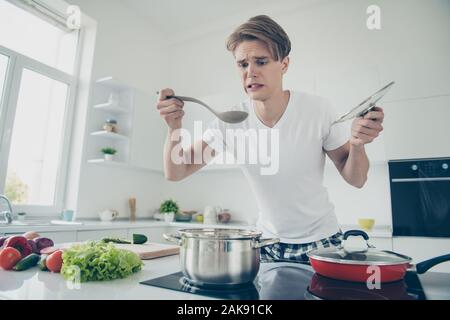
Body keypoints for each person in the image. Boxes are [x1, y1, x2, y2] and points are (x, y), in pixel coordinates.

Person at [156, 15, 384, 263]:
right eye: (242, 65)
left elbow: (357, 178)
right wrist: (174, 126)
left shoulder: (318, 110)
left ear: (284, 64)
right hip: (265, 245)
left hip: (322, 242)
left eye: (261, 62)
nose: (250, 73)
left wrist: (358, 144)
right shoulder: (230, 121)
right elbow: (176, 172)